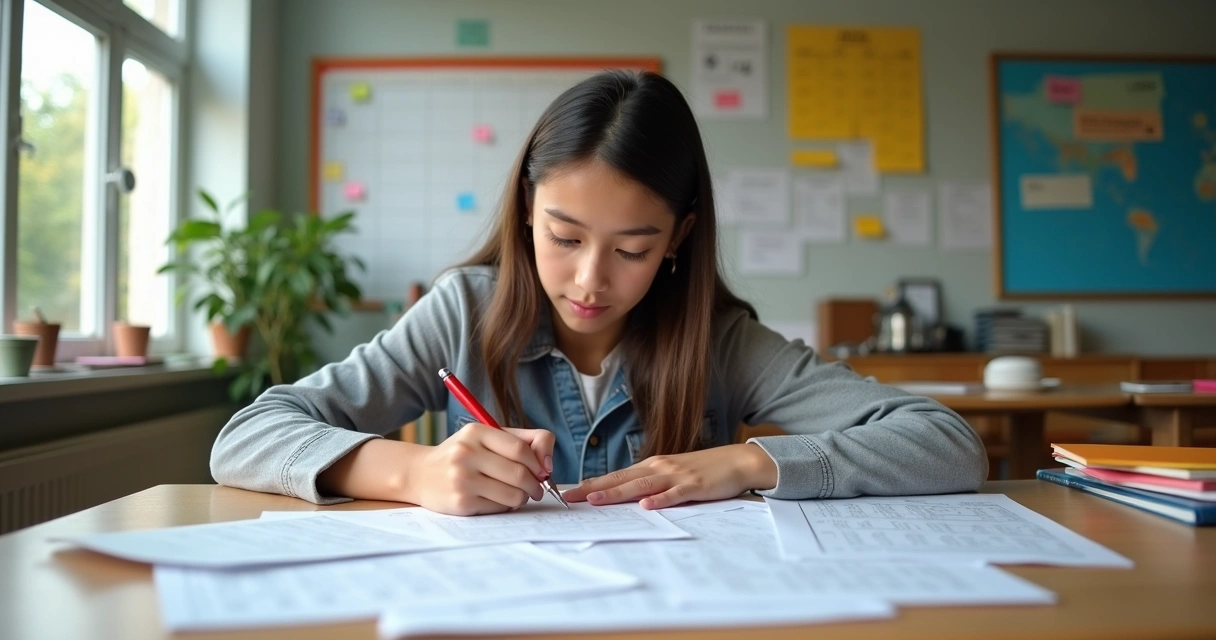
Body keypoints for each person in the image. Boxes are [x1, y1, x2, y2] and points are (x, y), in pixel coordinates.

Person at [211, 70, 987, 516]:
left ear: (678, 238)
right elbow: (246, 437)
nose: (590, 279)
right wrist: (411, 473)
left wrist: (750, 463)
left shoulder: (719, 342)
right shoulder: (463, 311)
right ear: (525, 208)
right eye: (565, 236)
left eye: (633, 249)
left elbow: (947, 445)